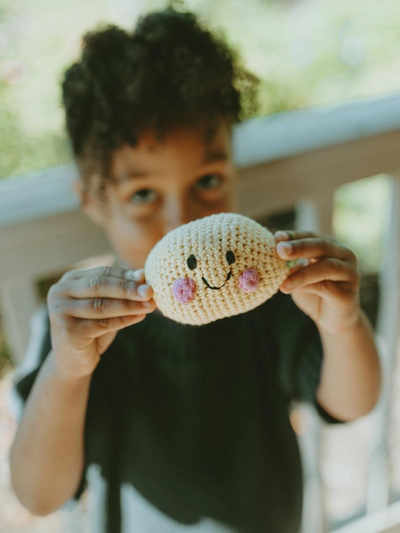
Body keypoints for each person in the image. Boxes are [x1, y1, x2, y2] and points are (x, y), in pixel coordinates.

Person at [9, 4, 382, 533]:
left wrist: (342, 323)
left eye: (206, 181)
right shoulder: (83, 331)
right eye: (143, 194)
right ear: (94, 200)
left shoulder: (270, 297)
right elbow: (38, 494)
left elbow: (352, 403)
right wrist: (68, 371)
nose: (180, 221)